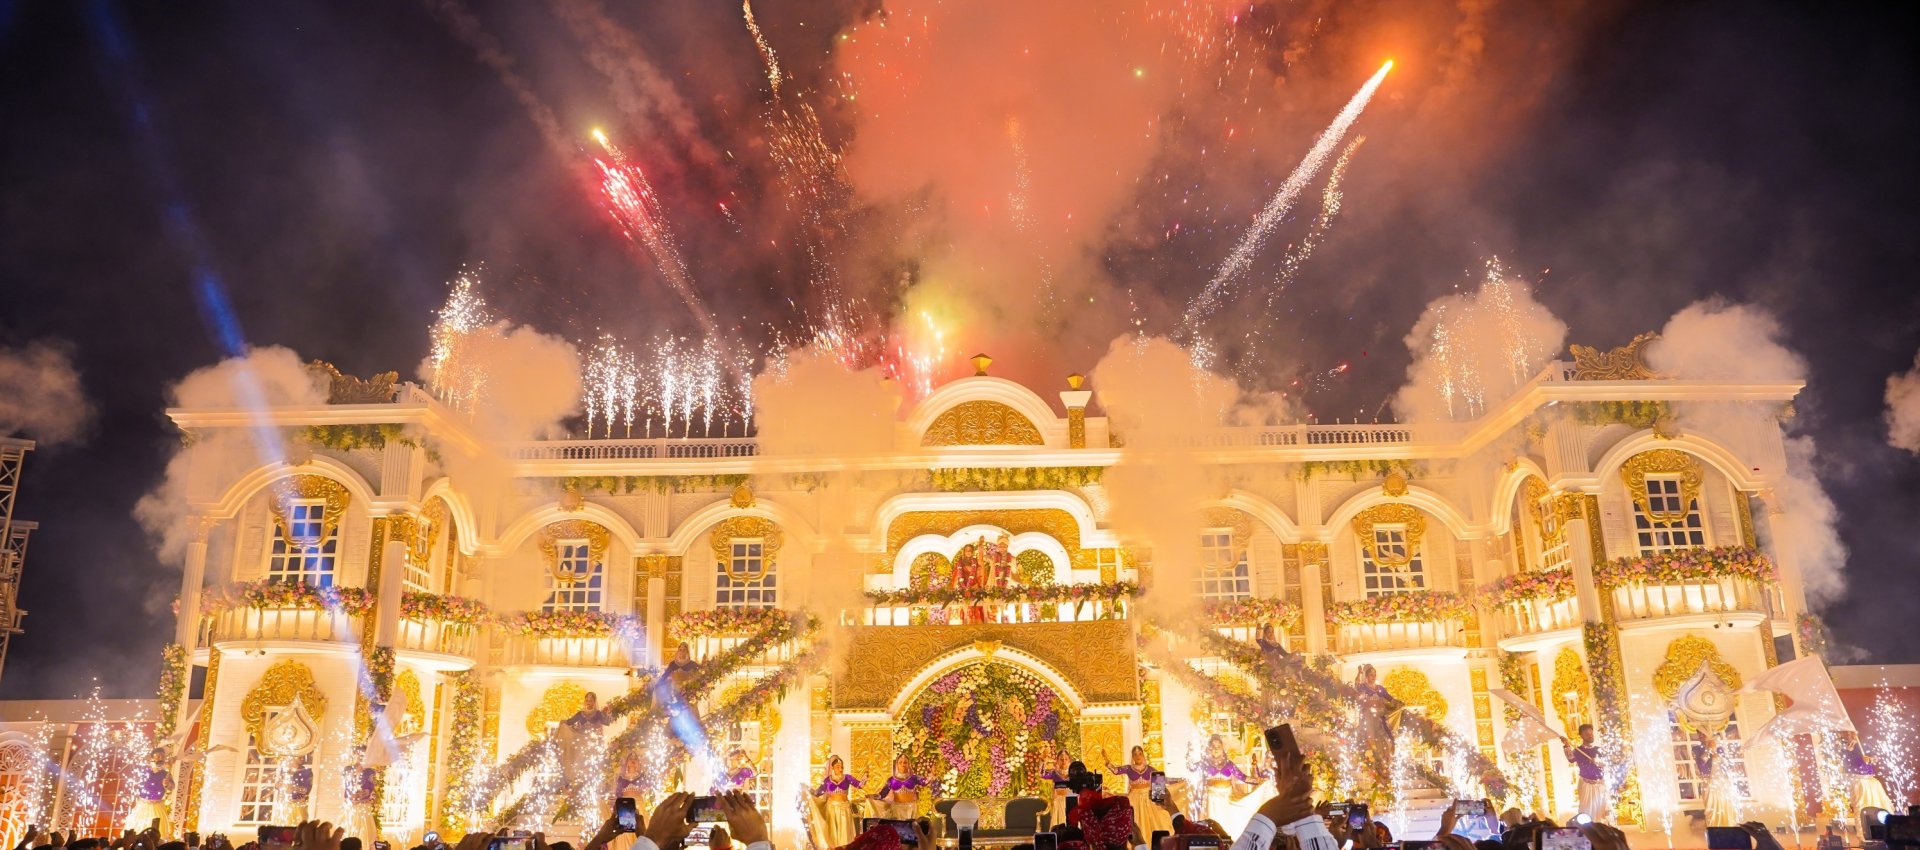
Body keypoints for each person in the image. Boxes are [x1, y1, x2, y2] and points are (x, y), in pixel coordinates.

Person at [1104, 746, 1174, 842]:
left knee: (1153, 822)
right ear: (1132, 756)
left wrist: (1178, 780)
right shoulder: (1129, 768)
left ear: (1143, 755)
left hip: (1148, 800)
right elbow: (1116, 771)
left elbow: (1163, 780)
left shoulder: (1150, 769)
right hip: (1134, 799)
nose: (1138, 756)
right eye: (1135, 754)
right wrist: (1107, 760)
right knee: (1135, 821)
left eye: (1140, 754)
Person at [811, 755, 863, 849]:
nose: (841, 769)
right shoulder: (827, 780)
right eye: (838, 767)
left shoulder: (847, 778)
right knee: (833, 833)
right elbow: (819, 792)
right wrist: (809, 792)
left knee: (844, 832)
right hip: (831, 808)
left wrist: (864, 779)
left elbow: (859, 785)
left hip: (844, 808)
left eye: (842, 767)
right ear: (832, 767)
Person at [1196, 735, 1250, 822]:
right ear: (1209, 748)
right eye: (1213, 746)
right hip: (1212, 798)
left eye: (1218, 746)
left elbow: (1242, 777)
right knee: (1213, 821)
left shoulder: (1229, 764)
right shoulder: (1205, 763)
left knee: (1226, 821)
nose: (1216, 749)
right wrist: (1189, 754)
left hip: (1226, 797)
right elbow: (1191, 768)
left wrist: (1256, 780)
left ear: (1222, 748)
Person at [1561, 724, 1607, 823]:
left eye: (1591, 733)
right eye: (1587, 734)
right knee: (1586, 812)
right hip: (1586, 784)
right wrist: (1566, 745)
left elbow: (1606, 764)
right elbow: (1571, 758)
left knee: (1602, 812)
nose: (1590, 735)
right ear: (1581, 735)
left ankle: (1601, 830)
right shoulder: (1578, 751)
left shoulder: (1598, 750)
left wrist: (1597, 761)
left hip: (1600, 784)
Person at [1691, 729, 1737, 826]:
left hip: (1722, 783)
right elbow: (1701, 767)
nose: (1701, 736)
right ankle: (1713, 828)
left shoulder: (1720, 749)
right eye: (1699, 733)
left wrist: (1715, 750)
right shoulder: (1697, 749)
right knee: (1711, 809)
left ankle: (1728, 828)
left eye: (1703, 733)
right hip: (1709, 783)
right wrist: (1709, 750)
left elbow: (1727, 766)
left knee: (1725, 807)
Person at [126, 748, 175, 834]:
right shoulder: (145, 770)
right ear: (152, 758)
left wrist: (166, 784)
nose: (160, 758)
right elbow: (137, 784)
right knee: (137, 828)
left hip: (157, 805)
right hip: (142, 805)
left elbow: (171, 787)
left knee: (156, 829)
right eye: (158, 756)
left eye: (163, 757)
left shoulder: (166, 774)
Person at [1843, 736, 1896, 814]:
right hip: (1850, 779)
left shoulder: (1863, 746)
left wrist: (1869, 759)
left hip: (1866, 779)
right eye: (1846, 733)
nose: (1849, 735)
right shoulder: (1840, 747)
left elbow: (1875, 758)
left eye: (1851, 733)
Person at [875, 755, 929, 819]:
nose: (903, 764)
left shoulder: (914, 778)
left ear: (909, 764)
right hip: (897, 810)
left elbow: (924, 782)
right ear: (897, 765)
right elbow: (884, 792)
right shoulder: (891, 780)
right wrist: (876, 797)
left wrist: (931, 777)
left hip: (911, 809)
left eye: (905, 762)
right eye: (900, 762)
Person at [343, 748, 378, 841]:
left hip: (363, 807)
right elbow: (346, 787)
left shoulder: (369, 772)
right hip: (350, 806)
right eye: (359, 754)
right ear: (355, 755)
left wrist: (359, 797)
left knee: (363, 831)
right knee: (349, 829)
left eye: (364, 754)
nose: (361, 756)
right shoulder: (348, 770)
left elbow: (369, 788)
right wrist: (351, 798)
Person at [1041, 750, 1076, 829]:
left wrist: (1067, 792)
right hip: (1058, 802)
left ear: (1069, 760)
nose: (1064, 761)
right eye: (1061, 759)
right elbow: (1042, 775)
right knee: (1059, 825)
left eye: (1066, 759)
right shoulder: (1054, 773)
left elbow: (1078, 790)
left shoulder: (1074, 774)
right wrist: (1043, 761)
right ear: (1057, 761)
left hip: (1071, 801)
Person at [285, 754, 314, 825]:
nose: (302, 758)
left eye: (304, 756)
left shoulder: (307, 772)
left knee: (299, 825)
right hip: (287, 806)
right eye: (299, 756)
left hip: (300, 805)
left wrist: (293, 788)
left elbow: (306, 790)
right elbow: (277, 786)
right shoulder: (286, 771)